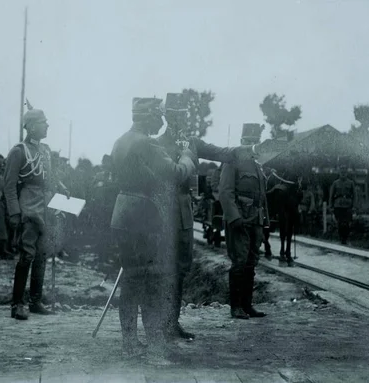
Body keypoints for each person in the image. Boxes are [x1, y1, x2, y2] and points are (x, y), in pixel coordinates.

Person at [110, 96, 197, 361]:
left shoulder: (120, 141)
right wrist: (187, 156)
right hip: (144, 216)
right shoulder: (147, 143)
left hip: (123, 212)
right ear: (147, 116)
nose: (161, 121)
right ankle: (152, 341)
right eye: (158, 116)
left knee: (131, 280)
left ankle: (130, 341)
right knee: (149, 280)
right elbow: (175, 172)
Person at [157, 92, 246, 341]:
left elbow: (223, 153)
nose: (182, 120)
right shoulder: (156, 144)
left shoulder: (193, 142)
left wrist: (250, 149)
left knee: (181, 269)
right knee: (163, 269)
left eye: (184, 115)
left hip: (184, 210)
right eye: (177, 116)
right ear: (167, 117)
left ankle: (171, 323)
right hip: (162, 210)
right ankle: (160, 324)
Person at [4, 102, 69, 320]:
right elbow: (9, 185)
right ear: (31, 127)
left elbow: (48, 176)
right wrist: (15, 213)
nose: (47, 127)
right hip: (28, 207)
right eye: (43, 123)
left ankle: (35, 301)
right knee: (27, 255)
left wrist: (60, 186)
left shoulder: (44, 150)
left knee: (41, 255)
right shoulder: (18, 151)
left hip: (45, 206)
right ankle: (17, 304)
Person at [218, 145, 268, 320]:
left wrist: (265, 220)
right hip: (240, 220)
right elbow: (225, 191)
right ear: (242, 143)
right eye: (249, 143)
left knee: (251, 262)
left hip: (255, 221)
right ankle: (236, 307)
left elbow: (262, 196)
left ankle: (247, 305)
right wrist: (234, 217)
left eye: (254, 143)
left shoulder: (257, 166)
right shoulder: (232, 163)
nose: (252, 147)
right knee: (239, 261)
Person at [329, 164, 357, 245]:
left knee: (347, 223)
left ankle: (346, 238)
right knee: (339, 223)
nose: (343, 174)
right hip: (338, 205)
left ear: (347, 173)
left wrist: (354, 207)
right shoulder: (335, 183)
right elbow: (331, 196)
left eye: (344, 172)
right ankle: (341, 239)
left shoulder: (351, 183)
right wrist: (331, 207)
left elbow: (355, 196)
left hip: (348, 206)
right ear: (339, 173)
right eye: (342, 172)